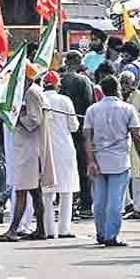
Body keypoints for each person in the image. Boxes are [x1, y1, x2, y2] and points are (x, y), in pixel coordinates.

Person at [83, 76, 140, 247]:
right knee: (116, 201)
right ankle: (111, 235)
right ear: (117, 88)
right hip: (119, 160)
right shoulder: (128, 108)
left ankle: (101, 233)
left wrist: (90, 161)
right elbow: (137, 136)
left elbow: (87, 137)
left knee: (100, 201)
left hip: (98, 159)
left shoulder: (92, 110)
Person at [0, 66, 53, 242]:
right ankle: (41, 229)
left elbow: (34, 120)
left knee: (21, 190)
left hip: (30, 148)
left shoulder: (31, 93)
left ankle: (13, 230)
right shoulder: (29, 91)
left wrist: (16, 117)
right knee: (34, 192)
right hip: (27, 147)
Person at [41, 71, 79, 239]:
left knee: (47, 192)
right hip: (64, 147)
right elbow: (74, 126)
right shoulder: (65, 101)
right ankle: (64, 229)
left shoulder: (40, 98)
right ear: (57, 84)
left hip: (45, 148)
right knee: (66, 190)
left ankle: (49, 230)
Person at [59, 51, 95, 216]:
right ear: (78, 61)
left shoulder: (59, 81)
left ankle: (66, 204)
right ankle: (86, 204)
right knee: (83, 166)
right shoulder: (84, 80)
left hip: (61, 130)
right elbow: (89, 104)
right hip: (81, 129)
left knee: (63, 168)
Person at [119, 71, 140, 221]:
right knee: (122, 176)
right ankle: (128, 205)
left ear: (133, 83)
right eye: (122, 82)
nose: (124, 85)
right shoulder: (118, 97)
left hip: (137, 139)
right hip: (122, 142)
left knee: (139, 176)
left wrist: (130, 117)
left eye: (127, 82)